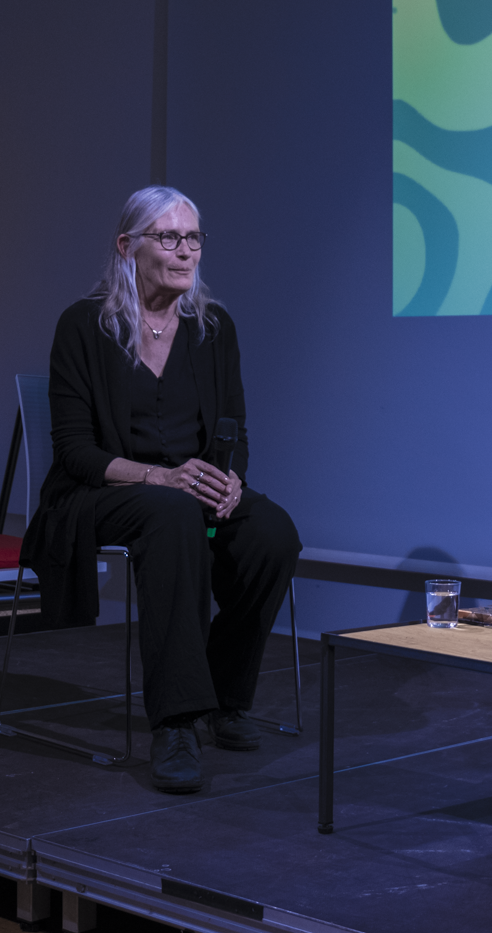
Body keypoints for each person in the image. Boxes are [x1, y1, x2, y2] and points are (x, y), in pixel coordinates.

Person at [20, 186, 302, 794]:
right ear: (128, 246)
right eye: (169, 237)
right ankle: (175, 722)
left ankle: (224, 697)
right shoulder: (84, 325)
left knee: (272, 533)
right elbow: (76, 453)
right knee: (172, 513)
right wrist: (157, 476)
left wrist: (232, 480)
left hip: (186, 490)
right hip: (103, 491)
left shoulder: (213, 327)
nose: (185, 251)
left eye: (193, 237)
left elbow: (234, 429)